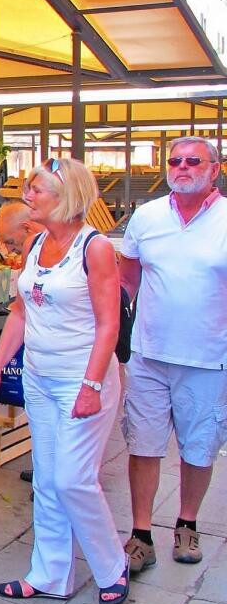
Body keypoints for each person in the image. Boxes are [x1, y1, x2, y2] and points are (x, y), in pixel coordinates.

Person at [0, 157, 129, 604]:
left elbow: (108, 326)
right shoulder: (37, 242)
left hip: (82, 380)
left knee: (72, 478)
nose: (27, 195)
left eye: (36, 189)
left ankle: (112, 566)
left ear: (65, 198)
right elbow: (22, 311)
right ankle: (48, 575)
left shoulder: (95, 248)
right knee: (46, 478)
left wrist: (92, 385)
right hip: (40, 378)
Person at [119, 137, 227, 573]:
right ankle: (141, 533)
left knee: (198, 448)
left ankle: (187, 523)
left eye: (192, 161)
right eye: (175, 161)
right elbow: (128, 279)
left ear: (214, 170)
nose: (181, 167)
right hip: (148, 355)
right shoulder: (147, 217)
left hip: (208, 358)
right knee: (142, 444)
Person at [0, 199, 43, 484]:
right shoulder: (32, 254)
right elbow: (20, 310)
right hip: (39, 357)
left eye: (11, 242)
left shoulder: (81, 248)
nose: (9, 249)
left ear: (27, 227)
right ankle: (45, 475)